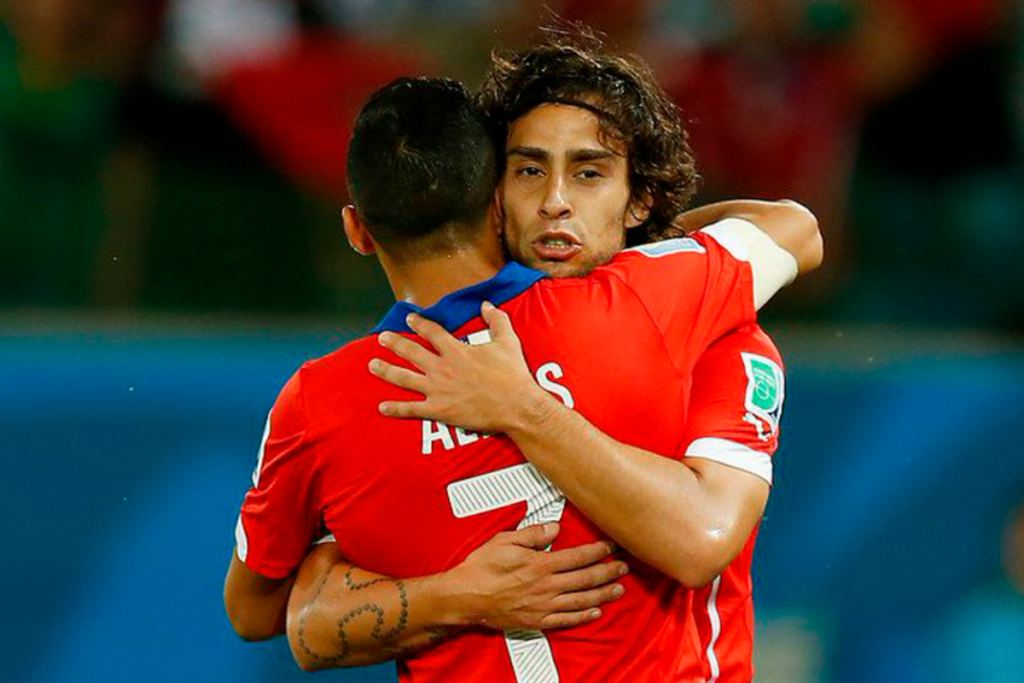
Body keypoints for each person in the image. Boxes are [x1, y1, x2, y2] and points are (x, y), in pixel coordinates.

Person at [225, 77, 817, 683]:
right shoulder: (657, 300)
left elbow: (273, 615)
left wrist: (440, 593)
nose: (557, 201)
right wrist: (650, 244)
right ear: (497, 203)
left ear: (356, 230)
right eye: (531, 172)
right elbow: (795, 227)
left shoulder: (321, 402)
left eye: (588, 174)